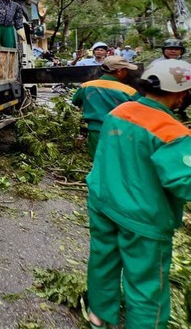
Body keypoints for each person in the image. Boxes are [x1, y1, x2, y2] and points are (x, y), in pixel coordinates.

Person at [85, 59, 191, 328]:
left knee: (103, 259)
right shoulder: (173, 133)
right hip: (143, 218)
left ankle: (99, 314)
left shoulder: (120, 111)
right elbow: (184, 181)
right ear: (180, 94)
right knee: (146, 282)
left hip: (103, 202)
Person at [71, 56, 141, 159]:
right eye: (126, 70)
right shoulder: (129, 91)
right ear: (119, 72)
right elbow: (140, 112)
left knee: (98, 163)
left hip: (95, 132)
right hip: (121, 133)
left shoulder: (86, 86)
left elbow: (75, 101)